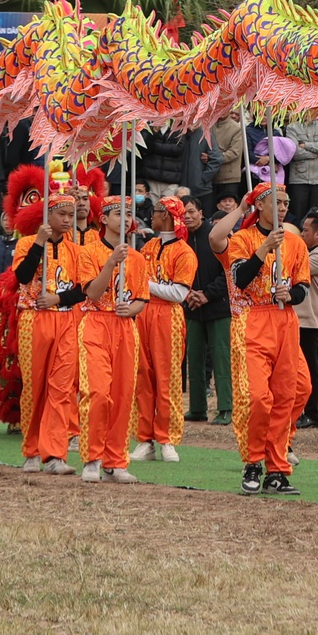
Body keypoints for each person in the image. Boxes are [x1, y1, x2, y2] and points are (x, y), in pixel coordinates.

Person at [210, 182, 312, 495]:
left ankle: (277, 468)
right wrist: (265, 248)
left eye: (285, 202)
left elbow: (303, 286)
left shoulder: (295, 244)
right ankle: (253, 460)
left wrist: (290, 294)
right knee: (258, 397)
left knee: (287, 395)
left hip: (284, 321)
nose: (282, 208)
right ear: (261, 206)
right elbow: (240, 278)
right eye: (276, 202)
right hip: (252, 320)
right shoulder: (242, 239)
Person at [8, 167, 98, 475]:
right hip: (34, 320)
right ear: (48, 215)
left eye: (70, 215)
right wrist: (38, 243)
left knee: (61, 389)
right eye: (62, 214)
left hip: (64, 321)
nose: (67, 220)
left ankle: (55, 454)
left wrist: (58, 299)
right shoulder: (26, 244)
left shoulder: (76, 251)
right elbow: (20, 276)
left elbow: (82, 291)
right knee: (34, 387)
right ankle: (32, 450)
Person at [77, 193, 150, 483]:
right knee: (97, 393)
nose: (126, 219)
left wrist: (129, 309)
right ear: (104, 218)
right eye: (119, 213)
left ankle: (115, 460)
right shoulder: (89, 252)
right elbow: (92, 293)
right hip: (95, 323)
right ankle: (92, 457)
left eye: (129, 214)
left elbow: (141, 299)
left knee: (122, 396)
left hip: (124, 328)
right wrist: (110, 263)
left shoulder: (137, 258)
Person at [129, 197, 196, 463]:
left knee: (167, 378)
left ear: (166, 216)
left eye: (156, 212)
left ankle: (167, 438)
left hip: (168, 316)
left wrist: (145, 284)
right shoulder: (148, 246)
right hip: (143, 313)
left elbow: (178, 293)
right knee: (143, 375)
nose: (152, 216)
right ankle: (145, 439)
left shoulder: (184, 252)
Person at [183, 196, 233, 426]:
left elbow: (229, 271)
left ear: (201, 213)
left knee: (221, 358)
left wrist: (207, 294)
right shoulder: (180, 238)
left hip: (218, 305)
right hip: (191, 305)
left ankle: (226, 407)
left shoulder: (216, 235)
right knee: (194, 358)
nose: (188, 216)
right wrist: (189, 294)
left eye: (192, 211)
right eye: (183, 212)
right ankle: (197, 408)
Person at [293, 211, 318, 428]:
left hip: (308, 319)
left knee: (309, 367)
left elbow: (292, 268)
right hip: (300, 318)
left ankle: (313, 413)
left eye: (305, 230)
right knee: (299, 368)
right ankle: (301, 411)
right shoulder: (311, 252)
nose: (302, 234)